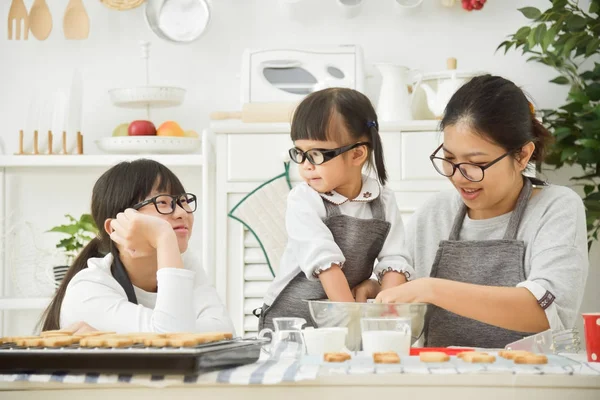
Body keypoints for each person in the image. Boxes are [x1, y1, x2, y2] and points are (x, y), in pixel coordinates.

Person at [360, 75, 588, 348]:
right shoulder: (436, 212)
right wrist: (376, 290)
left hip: (527, 385)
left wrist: (431, 288)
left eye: (476, 163)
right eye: (450, 159)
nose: (459, 176)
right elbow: (400, 290)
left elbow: (544, 311)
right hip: (442, 381)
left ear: (523, 155)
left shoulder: (556, 208)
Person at [258, 88, 412, 331]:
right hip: (293, 321)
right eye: (300, 153)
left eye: (317, 154)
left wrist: (386, 317)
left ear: (357, 154)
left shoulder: (383, 201)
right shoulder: (304, 200)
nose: (306, 166)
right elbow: (326, 265)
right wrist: (351, 324)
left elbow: (394, 260)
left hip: (345, 314)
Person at [40, 159, 234, 335]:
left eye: (183, 201)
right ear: (115, 227)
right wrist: (164, 236)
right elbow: (177, 342)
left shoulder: (185, 262)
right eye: (163, 203)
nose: (182, 212)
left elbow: (225, 332)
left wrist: (138, 337)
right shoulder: (87, 291)